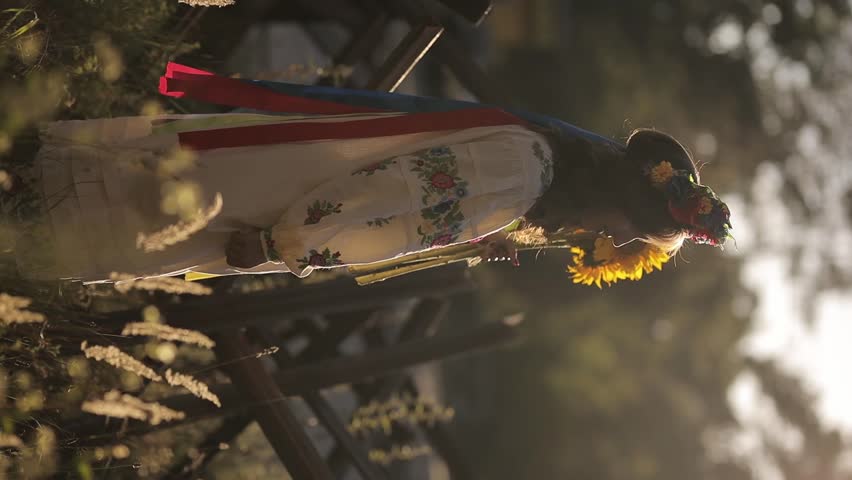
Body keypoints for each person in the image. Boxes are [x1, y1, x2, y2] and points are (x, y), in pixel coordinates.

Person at [17, 63, 730, 284]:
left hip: (282, 187)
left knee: (122, 195)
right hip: (277, 202)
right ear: (616, 199)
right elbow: (391, 195)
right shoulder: (521, 173)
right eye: (621, 233)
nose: (602, 242)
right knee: (112, 209)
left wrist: (486, 234)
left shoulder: (529, 169)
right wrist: (286, 243)